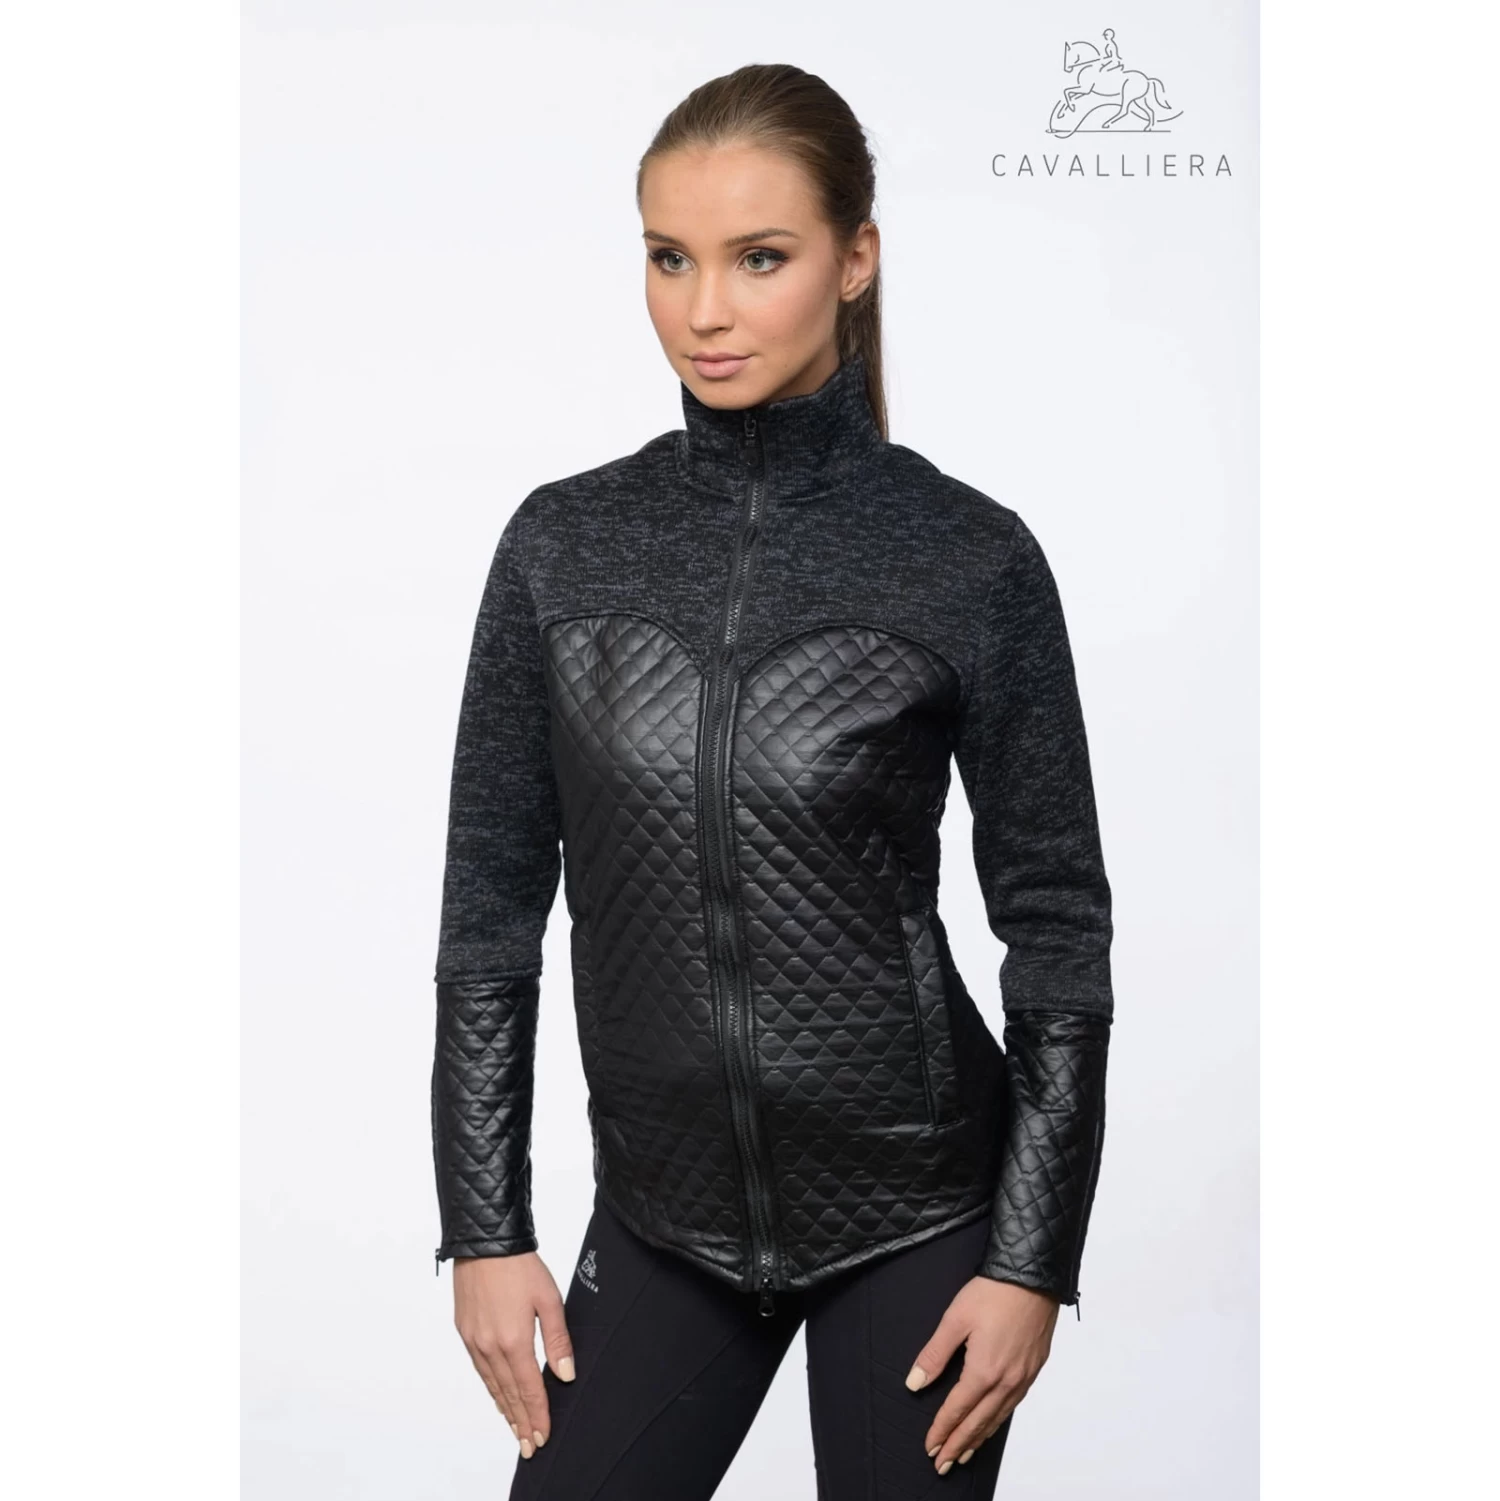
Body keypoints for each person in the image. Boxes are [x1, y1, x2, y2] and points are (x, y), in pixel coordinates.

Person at [430, 62, 1115, 1499]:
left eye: (759, 257)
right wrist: (486, 1229)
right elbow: (491, 909)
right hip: (666, 1216)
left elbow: (1057, 928)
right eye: (668, 257)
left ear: (855, 260)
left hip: (922, 1215)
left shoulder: (967, 558)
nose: (705, 310)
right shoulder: (562, 547)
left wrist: (1031, 1260)